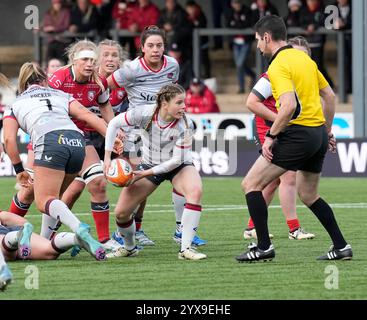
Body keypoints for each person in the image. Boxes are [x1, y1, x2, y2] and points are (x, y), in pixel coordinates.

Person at [235, 15, 352, 262]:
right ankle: (341, 246)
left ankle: (263, 246)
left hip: (297, 134)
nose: (257, 46)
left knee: (250, 184)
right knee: (309, 195)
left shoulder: (277, 65)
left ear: (267, 38)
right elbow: (330, 96)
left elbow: (287, 107)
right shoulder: (304, 59)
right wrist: (327, 130)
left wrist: (271, 136)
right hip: (317, 134)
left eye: (258, 40)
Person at [2, 62, 122, 261]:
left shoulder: (15, 104)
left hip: (50, 141)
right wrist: (112, 137)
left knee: (44, 201)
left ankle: (79, 228)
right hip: (77, 141)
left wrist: (18, 169)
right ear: (45, 81)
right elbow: (87, 116)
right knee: (54, 198)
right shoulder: (61, 95)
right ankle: (46, 240)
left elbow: (8, 140)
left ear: (22, 85)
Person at [107, 26, 207, 247]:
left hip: (166, 129)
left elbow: (172, 94)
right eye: (150, 46)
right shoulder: (130, 69)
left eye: (159, 45)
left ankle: (182, 229)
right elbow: (106, 86)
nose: (155, 50)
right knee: (136, 180)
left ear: (164, 46)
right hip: (137, 130)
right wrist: (113, 112)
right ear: (141, 48)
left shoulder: (172, 65)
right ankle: (130, 230)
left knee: (178, 171)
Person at [104, 84, 207, 260]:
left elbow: (176, 161)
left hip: (178, 166)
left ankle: (186, 249)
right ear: (164, 103)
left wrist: (145, 174)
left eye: (185, 102)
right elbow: (113, 123)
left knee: (195, 191)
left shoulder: (185, 124)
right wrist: (107, 157)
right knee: (121, 213)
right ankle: (129, 247)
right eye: (179, 102)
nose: (184, 107)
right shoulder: (144, 113)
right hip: (149, 163)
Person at [47, 40, 118, 252]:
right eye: (85, 59)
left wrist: (114, 131)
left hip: (81, 138)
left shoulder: (98, 83)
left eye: (93, 60)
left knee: (98, 182)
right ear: (74, 61)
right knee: (37, 193)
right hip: (54, 137)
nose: (90, 64)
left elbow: (105, 107)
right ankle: (19, 231)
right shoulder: (58, 79)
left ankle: (104, 240)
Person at [243, 36, 316, 241]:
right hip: (267, 127)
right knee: (288, 176)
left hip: (285, 129)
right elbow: (252, 101)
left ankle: (251, 227)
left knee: (273, 181)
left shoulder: (304, 78)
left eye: (305, 57)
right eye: (297, 55)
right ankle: (294, 229)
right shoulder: (272, 75)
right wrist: (277, 125)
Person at [0, 210, 102, 261]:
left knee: (6, 253)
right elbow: (22, 222)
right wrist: (25, 226)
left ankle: (17, 237)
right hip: (15, 228)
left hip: (5, 235)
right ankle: (75, 239)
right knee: (49, 252)